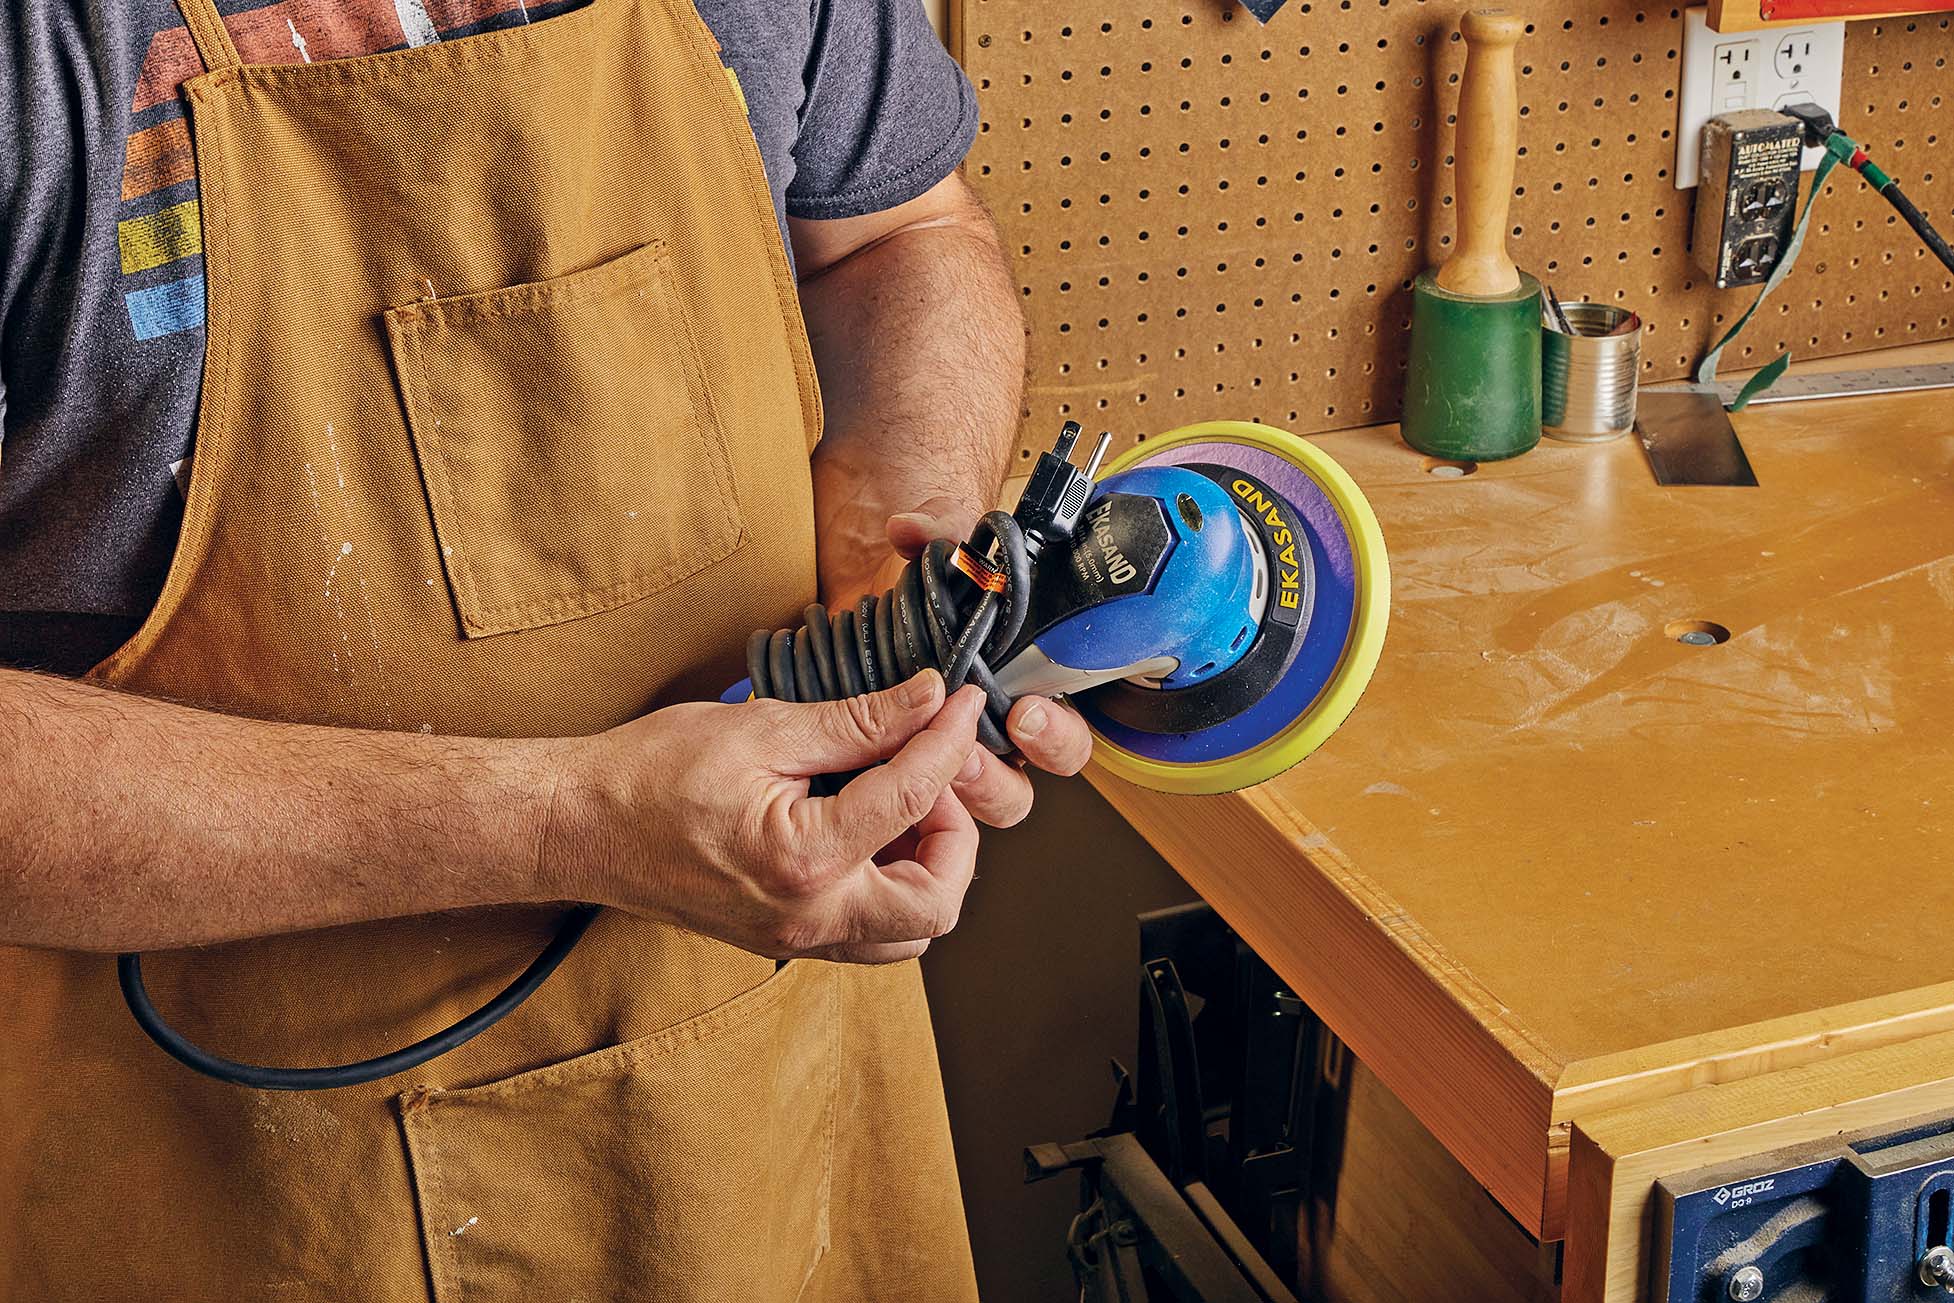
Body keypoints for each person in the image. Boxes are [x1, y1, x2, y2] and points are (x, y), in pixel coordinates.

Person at [0, 1, 1092, 1297]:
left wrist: (896, 607)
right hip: (239, 1188)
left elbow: (900, 236)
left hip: (765, 1110)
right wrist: (568, 823)